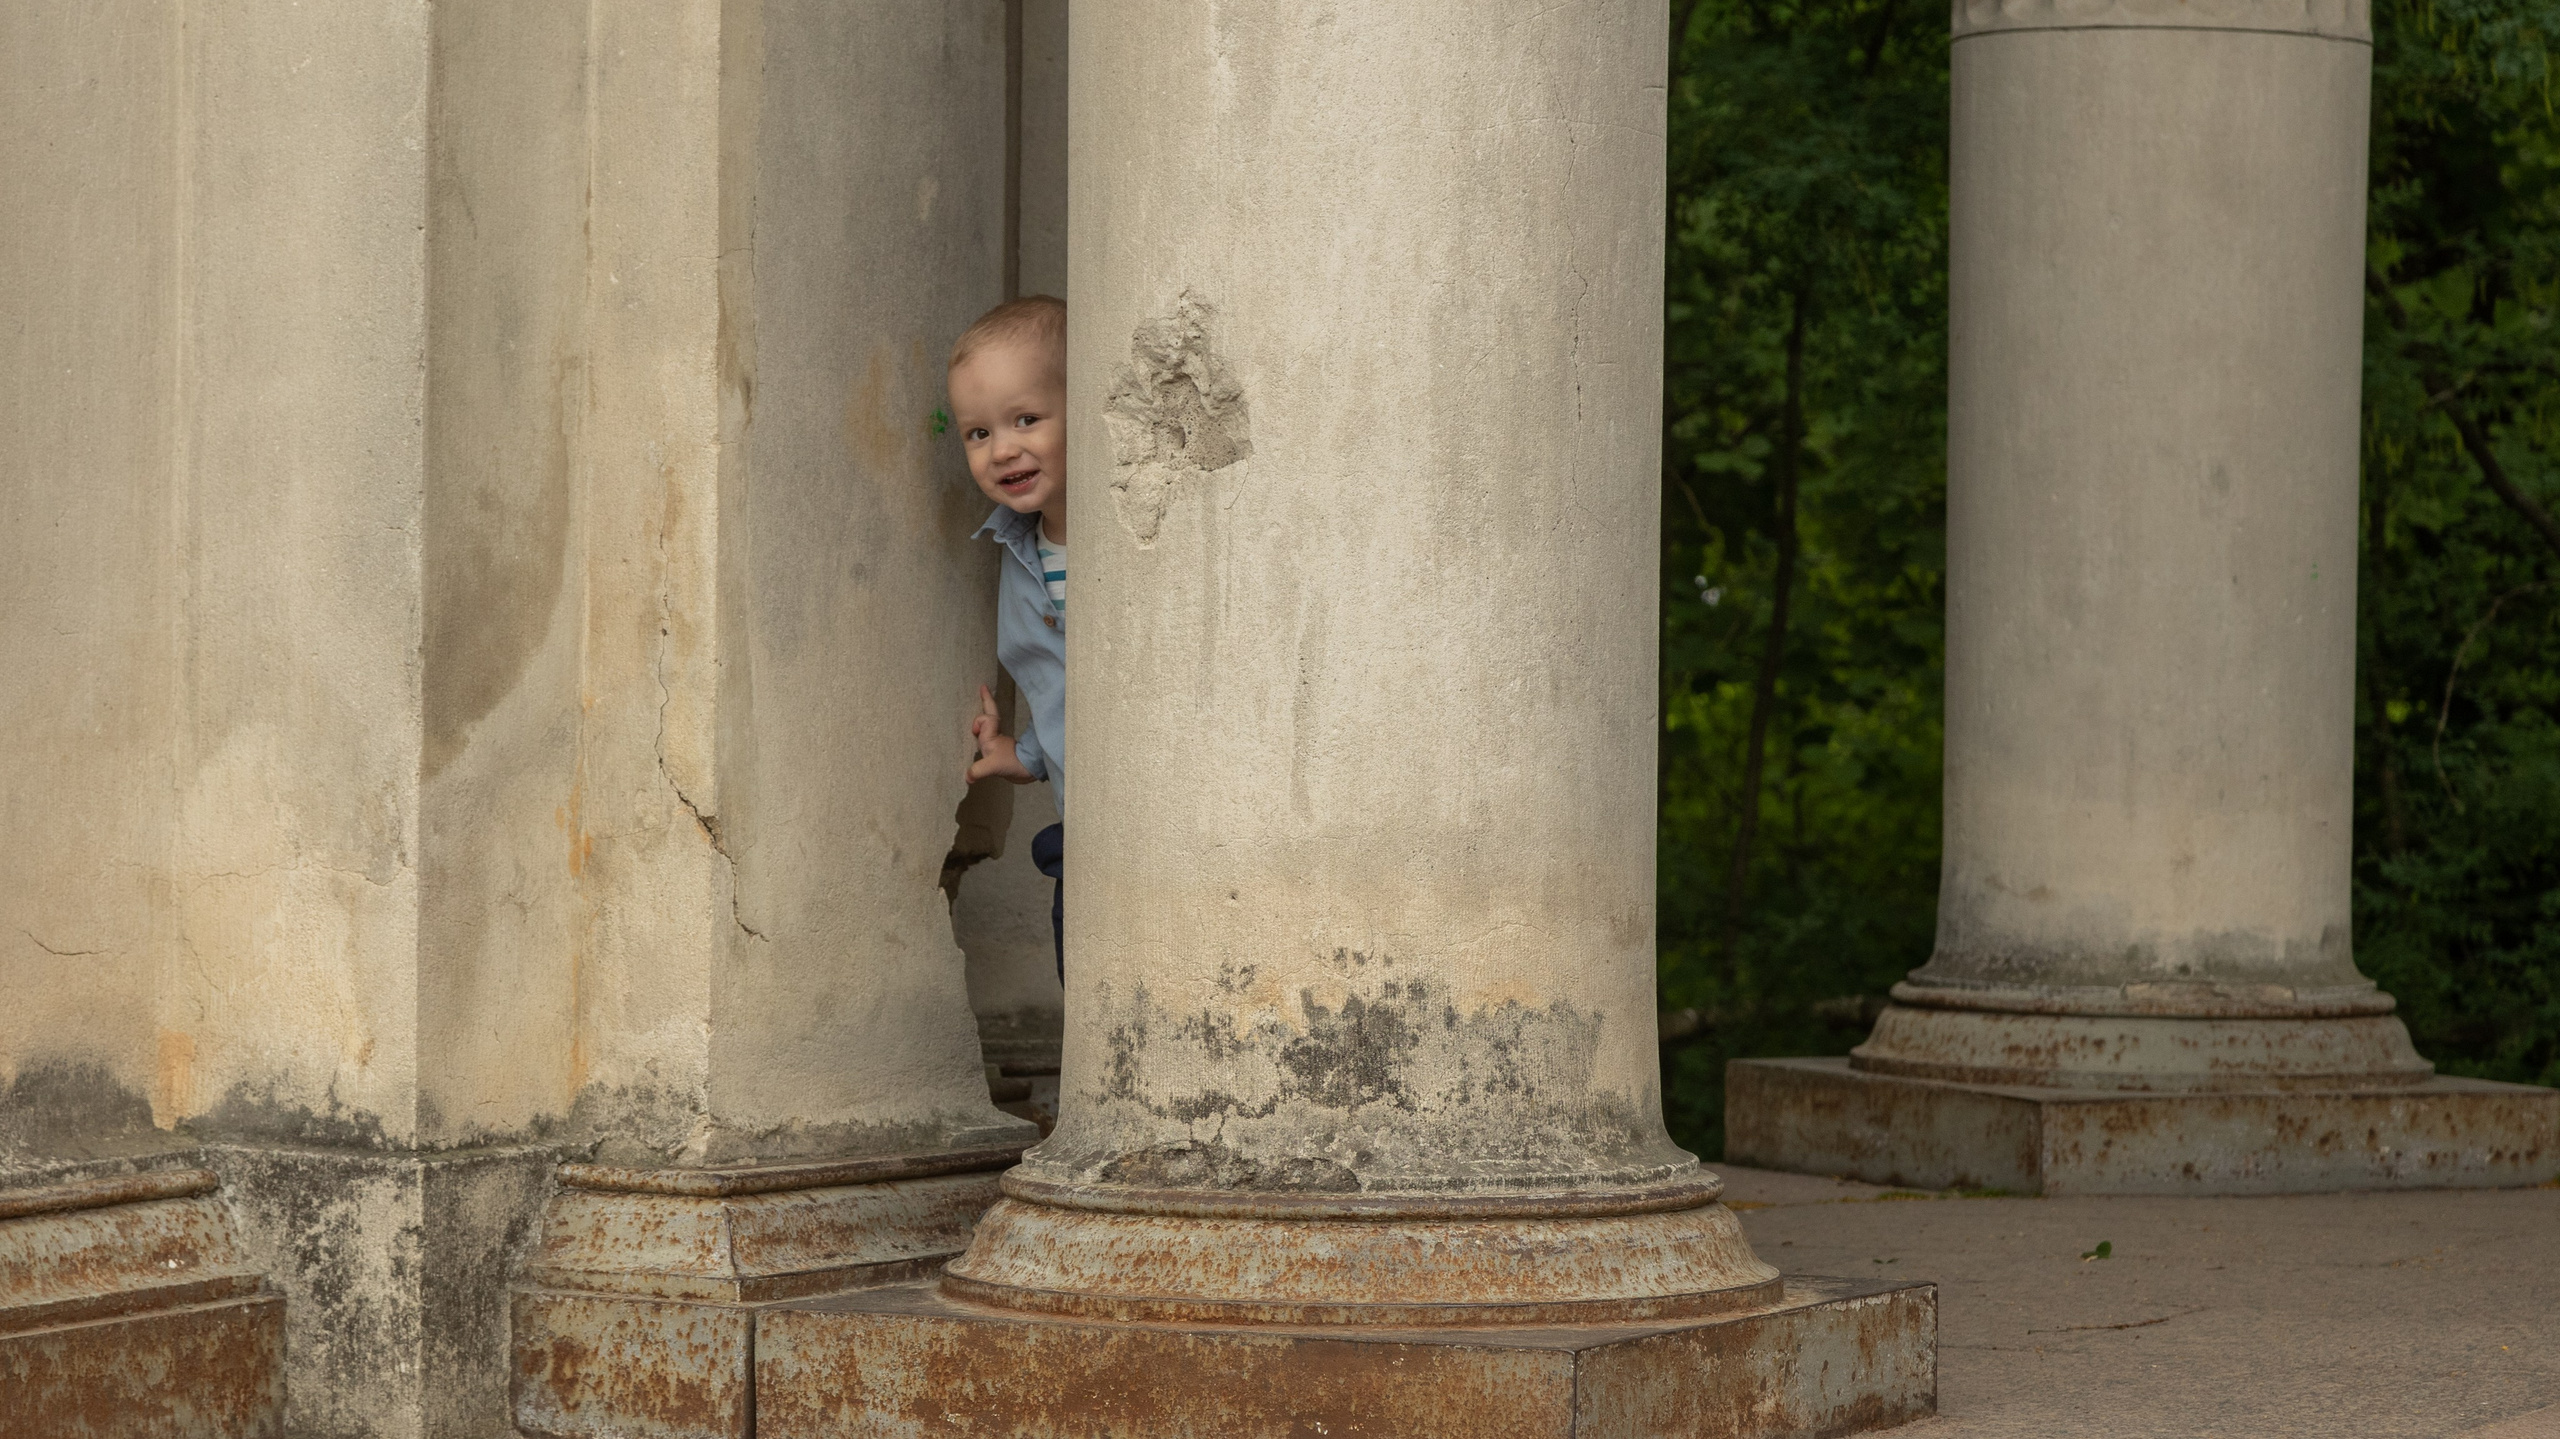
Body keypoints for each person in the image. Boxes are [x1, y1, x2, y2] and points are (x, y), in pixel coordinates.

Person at [949, 295, 1068, 977]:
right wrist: (1014, 753)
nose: (1004, 449)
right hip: (1082, 842)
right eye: (978, 433)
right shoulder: (1018, 553)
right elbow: (1063, 699)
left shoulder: (1117, 538)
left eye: (1026, 419)